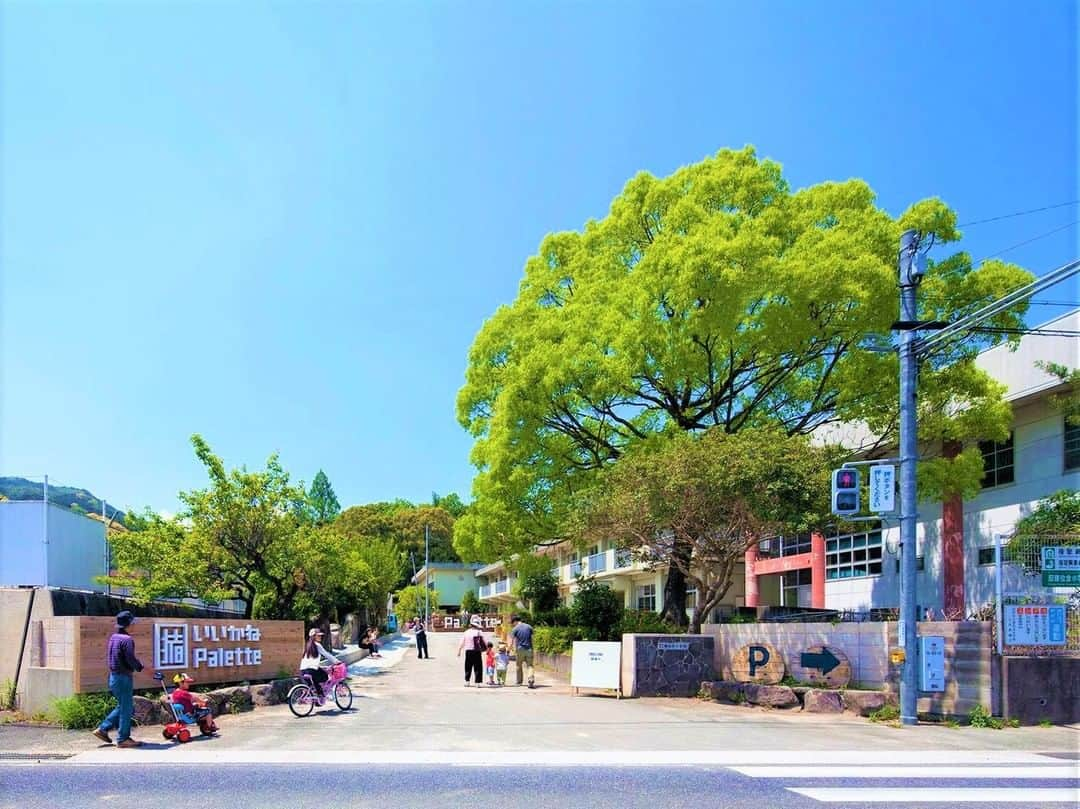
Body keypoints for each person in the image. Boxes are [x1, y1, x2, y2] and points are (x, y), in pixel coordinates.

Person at [92, 610, 144, 748]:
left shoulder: (114, 637)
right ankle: (123, 739)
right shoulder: (127, 640)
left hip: (114, 677)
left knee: (125, 707)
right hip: (123, 677)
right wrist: (140, 667)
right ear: (129, 624)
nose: (134, 626)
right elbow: (130, 658)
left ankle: (103, 729)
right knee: (126, 708)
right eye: (133, 623)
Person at [300, 628, 340, 697]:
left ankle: (313, 694)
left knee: (314, 680)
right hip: (311, 670)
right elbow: (326, 654)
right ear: (313, 637)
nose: (320, 637)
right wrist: (337, 661)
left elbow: (310, 661)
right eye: (318, 635)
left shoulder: (307, 646)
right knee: (325, 677)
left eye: (320, 635)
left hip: (303, 670)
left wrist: (320, 666)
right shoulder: (317, 645)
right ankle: (320, 694)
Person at [456, 614, 486, 687]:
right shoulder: (479, 632)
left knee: (468, 666)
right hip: (477, 651)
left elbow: (462, 642)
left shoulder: (466, 632)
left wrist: (459, 650)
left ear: (471, 625)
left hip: (468, 651)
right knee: (478, 666)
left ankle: (467, 681)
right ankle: (477, 682)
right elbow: (485, 642)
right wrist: (487, 650)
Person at [509, 614, 535, 688]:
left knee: (518, 666)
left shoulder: (515, 629)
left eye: (512, 623)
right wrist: (533, 649)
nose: (512, 625)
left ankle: (519, 682)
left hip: (520, 649)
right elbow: (532, 639)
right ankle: (531, 679)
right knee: (530, 665)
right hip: (529, 649)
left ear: (515, 621)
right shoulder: (529, 626)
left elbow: (511, 641)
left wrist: (509, 650)